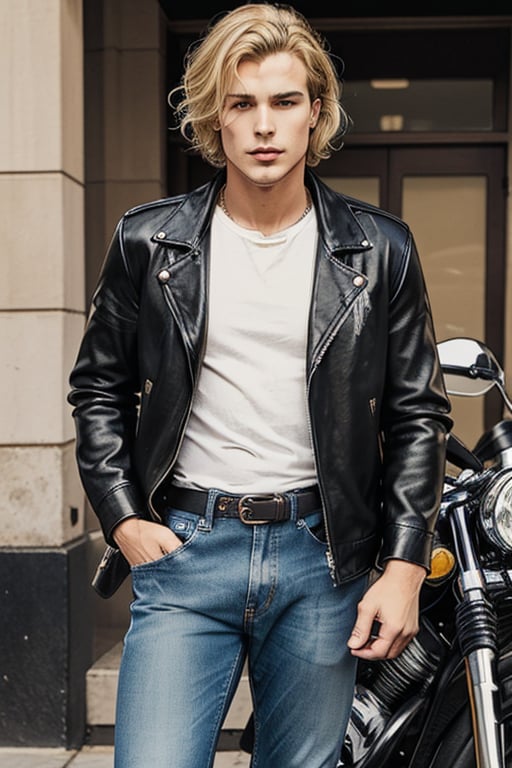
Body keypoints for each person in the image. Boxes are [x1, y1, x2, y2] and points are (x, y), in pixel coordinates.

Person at [68, 3, 452, 767]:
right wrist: (122, 520)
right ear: (216, 117)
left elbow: (417, 415)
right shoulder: (151, 242)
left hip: (322, 558)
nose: (264, 126)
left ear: (316, 112)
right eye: (242, 104)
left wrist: (405, 565)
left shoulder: (379, 250)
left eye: (284, 102)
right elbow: (98, 391)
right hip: (186, 550)